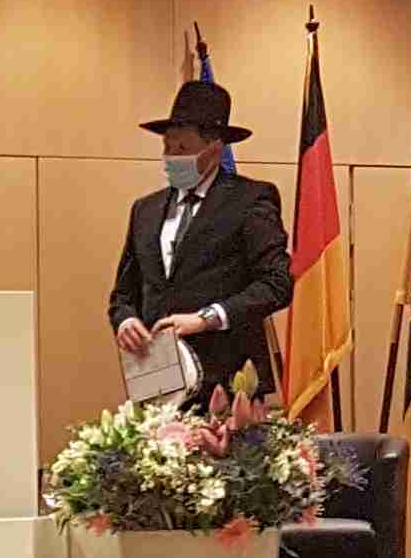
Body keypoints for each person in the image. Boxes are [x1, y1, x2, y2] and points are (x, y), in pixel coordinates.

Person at [109, 80, 293, 410]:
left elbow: (277, 284)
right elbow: (123, 294)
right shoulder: (145, 210)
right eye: (167, 147)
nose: (170, 157)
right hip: (157, 383)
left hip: (228, 383)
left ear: (215, 147)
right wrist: (125, 321)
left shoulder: (250, 200)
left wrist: (206, 318)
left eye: (182, 148)